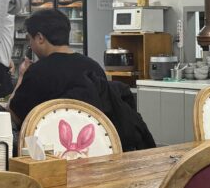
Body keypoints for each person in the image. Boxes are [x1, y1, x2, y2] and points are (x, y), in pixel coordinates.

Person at [10, 9, 155, 151]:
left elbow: (14, 116)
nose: (31, 45)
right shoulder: (93, 67)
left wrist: (22, 76)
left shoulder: (37, 72)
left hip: (51, 155)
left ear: (40, 38)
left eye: (30, 39)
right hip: (95, 150)